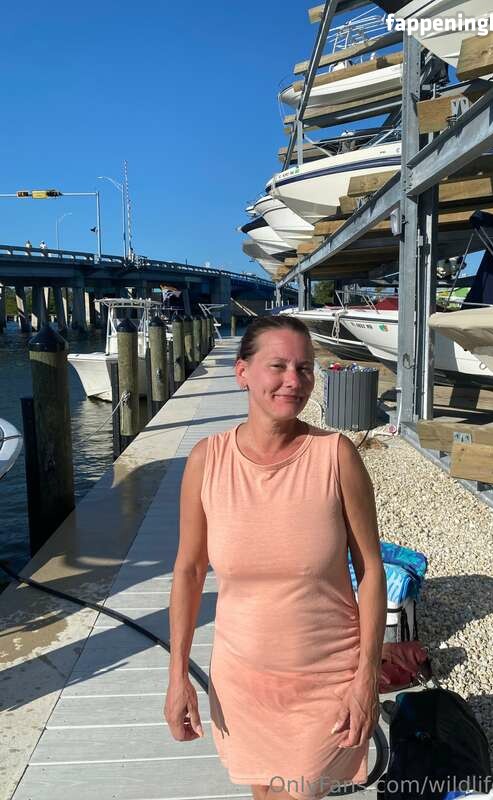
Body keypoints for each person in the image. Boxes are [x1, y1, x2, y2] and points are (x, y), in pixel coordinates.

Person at [164, 315, 387, 800]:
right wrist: (177, 675)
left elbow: (371, 570)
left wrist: (366, 677)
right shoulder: (206, 460)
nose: (294, 381)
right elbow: (189, 570)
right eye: (278, 366)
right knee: (264, 792)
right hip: (242, 681)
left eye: (304, 369)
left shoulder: (336, 456)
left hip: (326, 678)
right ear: (242, 372)